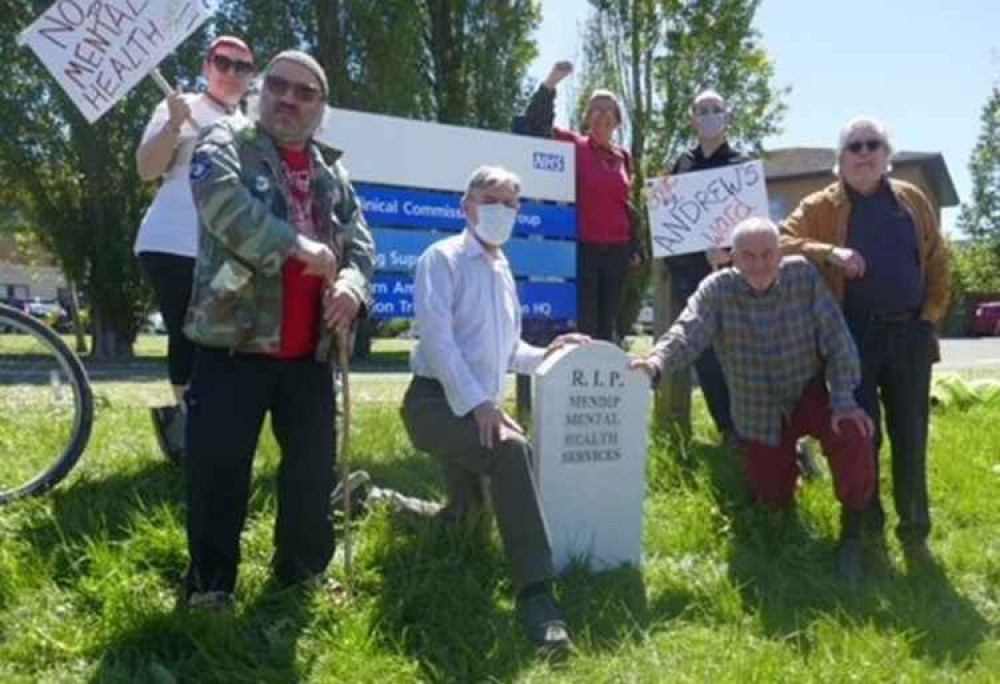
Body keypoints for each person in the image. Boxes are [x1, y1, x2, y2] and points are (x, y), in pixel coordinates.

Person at [182, 51, 375, 607]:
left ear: (321, 107)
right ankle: (211, 588)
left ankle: (301, 577)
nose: (289, 99)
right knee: (219, 471)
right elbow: (222, 206)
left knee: (312, 474)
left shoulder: (333, 171)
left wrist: (353, 287)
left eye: (305, 92)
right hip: (232, 342)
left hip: (310, 353)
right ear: (261, 91)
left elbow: (360, 245)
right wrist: (297, 245)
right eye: (279, 86)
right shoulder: (224, 143)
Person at [400, 165, 589, 654]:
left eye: (510, 202)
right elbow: (439, 343)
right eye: (490, 198)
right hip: (433, 404)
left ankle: (375, 500)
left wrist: (549, 354)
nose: (500, 210)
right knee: (510, 452)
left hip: (473, 407)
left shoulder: (504, 271)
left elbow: (506, 353)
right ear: (467, 207)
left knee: (465, 521)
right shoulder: (441, 259)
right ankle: (538, 598)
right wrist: (482, 404)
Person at [631, 218, 876, 581]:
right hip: (756, 404)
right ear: (733, 257)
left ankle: (853, 533)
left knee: (855, 433)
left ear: (780, 253)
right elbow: (688, 330)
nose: (759, 264)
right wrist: (655, 364)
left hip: (808, 389)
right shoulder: (716, 288)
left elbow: (838, 340)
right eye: (748, 255)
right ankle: (786, 486)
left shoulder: (804, 277)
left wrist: (843, 400)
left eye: (767, 254)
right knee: (772, 498)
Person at [780, 116, 949, 568]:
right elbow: (779, 241)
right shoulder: (821, 204)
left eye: (873, 144)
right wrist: (828, 253)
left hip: (910, 333)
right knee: (860, 434)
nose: (864, 153)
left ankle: (915, 530)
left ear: (887, 156)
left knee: (912, 435)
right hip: (852, 335)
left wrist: (929, 319)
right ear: (841, 159)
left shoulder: (912, 200)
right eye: (854, 146)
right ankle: (864, 524)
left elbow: (937, 261)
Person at [135, 36, 256, 464]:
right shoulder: (179, 105)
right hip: (173, 242)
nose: (232, 72)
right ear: (207, 65)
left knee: (222, 335)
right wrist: (172, 126)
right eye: (223, 61)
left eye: (243, 66)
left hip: (228, 251)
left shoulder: (250, 125)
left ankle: (203, 423)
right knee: (187, 332)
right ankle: (187, 433)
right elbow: (147, 169)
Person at [518, 60, 643, 343]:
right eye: (594, 109)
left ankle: (607, 380)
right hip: (584, 248)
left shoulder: (623, 157)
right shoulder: (572, 144)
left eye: (607, 109)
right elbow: (535, 124)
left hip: (618, 251)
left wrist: (635, 245)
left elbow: (625, 204)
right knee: (586, 322)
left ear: (618, 119)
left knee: (609, 322)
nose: (601, 114)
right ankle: (583, 379)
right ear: (587, 117)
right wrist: (551, 83)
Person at [662, 89, 748, 441]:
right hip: (691, 280)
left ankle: (756, 429)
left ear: (727, 117)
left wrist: (731, 251)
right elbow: (669, 224)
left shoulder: (742, 165)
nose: (710, 114)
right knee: (707, 358)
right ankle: (728, 431)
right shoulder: (680, 165)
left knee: (740, 356)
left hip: (735, 277)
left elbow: (755, 224)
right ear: (692, 118)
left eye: (717, 109)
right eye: (703, 109)